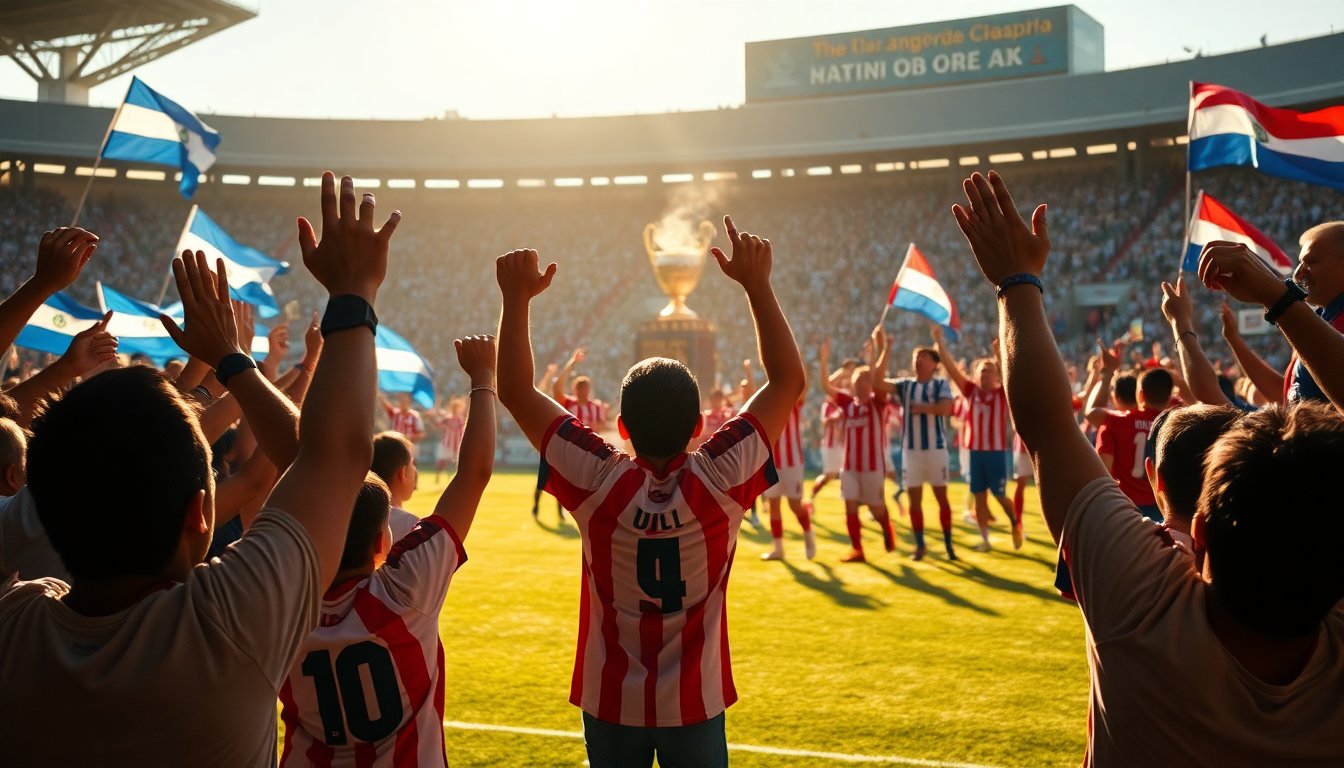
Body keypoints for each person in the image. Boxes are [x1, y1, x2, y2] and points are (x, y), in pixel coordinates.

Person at [0, 174, 400, 765]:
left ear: (41, 503)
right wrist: (238, 355)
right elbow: (333, 458)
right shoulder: (230, 621)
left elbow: (331, 457)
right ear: (201, 511)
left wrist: (352, 296)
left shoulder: (13, 627)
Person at [954, 169, 1344, 765]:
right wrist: (1277, 299)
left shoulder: (1139, 606)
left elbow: (1049, 430)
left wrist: (1016, 281)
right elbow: (1053, 431)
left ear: (1202, 532)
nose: (1299, 268)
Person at [494, 214, 804, 768]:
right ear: (698, 427)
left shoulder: (598, 480)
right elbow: (787, 382)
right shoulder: (721, 478)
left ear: (622, 427)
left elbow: (516, 390)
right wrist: (757, 285)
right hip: (696, 702)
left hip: (611, 700)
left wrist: (516, 299)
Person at [278, 335, 496, 766]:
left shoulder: (278, 608)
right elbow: (474, 474)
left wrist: (237, 365)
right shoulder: (407, 588)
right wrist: (484, 378)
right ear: (383, 544)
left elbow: (273, 466)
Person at [1215, 221, 1344, 406]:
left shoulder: (1322, 326)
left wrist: (1276, 297)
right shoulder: (1323, 320)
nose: (1298, 274)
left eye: (1311, 262)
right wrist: (1234, 340)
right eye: (1300, 263)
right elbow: (1287, 397)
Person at [932, 327, 1018, 550]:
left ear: (996, 375)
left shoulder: (1002, 394)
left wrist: (999, 354)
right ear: (976, 375)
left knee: (999, 495)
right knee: (979, 496)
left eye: (989, 371)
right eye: (981, 372)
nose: (985, 375)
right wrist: (940, 344)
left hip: (996, 453)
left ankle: (1014, 522)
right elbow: (952, 370)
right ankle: (985, 539)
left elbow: (1010, 375)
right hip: (975, 453)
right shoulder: (971, 391)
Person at [819, 331, 897, 563]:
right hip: (849, 467)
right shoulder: (847, 403)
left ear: (870, 383)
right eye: (857, 379)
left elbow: (879, 377)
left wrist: (882, 350)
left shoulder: (877, 402)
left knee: (875, 508)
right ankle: (857, 550)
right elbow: (827, 387)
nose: (859, 382)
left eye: (864, 379)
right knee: (850, 506)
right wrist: (824, 361)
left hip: (872, 467)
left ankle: (886, 526)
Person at [885, 344, 958, 561]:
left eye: (924, 357)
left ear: (934, 364)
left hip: (935, 450)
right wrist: (884, 348)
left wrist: (923, 408)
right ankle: (920, 545)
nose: (918, 360)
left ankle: (948, 545)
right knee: (914, 501)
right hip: (911, 452)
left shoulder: (940, 384)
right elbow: (877, 383)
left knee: (941, 498)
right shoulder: (905, 385)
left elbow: (946, 409)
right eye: (916, 356)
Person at [371, 430, 427, 541]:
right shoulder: (411, 525)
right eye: (412, 464)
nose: (415, 471)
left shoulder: (359, 516)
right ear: (403, 473)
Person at [434, 395, 467, 483]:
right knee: (442, 461)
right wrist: (445, 426)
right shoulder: (447, 418)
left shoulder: (462, 420)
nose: (457, 409)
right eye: (455, 407)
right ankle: (437, 477)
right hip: (446, 444)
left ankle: (452, 478)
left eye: (458, 407)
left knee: (456, 463)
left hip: (458, 444)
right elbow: (437, 423)